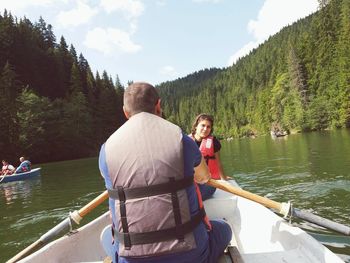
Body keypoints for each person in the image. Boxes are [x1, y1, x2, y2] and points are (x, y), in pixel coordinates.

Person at [99, 82, 232, 263]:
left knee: (106, 237)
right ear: (158, 105)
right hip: (190, 255)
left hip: (130, 259)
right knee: (224, 228)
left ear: (125, 112)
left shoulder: (106, 150)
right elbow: (204, 177)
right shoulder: (182, 140)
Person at [189, 114, 228, 201]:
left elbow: (218, 163)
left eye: (208, 127)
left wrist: (224, 179)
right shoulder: (187, 142)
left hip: (207, 182)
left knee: (208, 189)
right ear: (196, 126)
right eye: (203, 125)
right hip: (191, 183)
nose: (205, 129)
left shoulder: (213, 142)